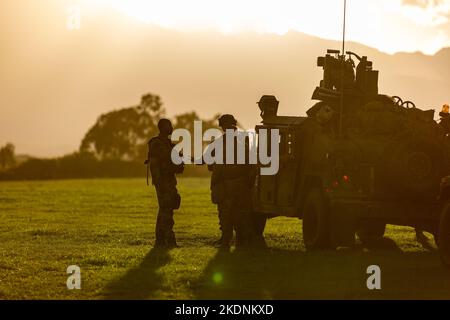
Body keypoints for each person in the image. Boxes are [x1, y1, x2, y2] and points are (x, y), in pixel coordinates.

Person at [209, 114, 256, 249]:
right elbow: (251, 166)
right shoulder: (244, 142)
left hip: (226, 184)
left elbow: (210, 165)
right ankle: (240, 242)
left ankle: (226, 241)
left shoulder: (218, 143)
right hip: (239, 185)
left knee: (226, 214)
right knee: (240, 215)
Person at [146, 119, 184, 248]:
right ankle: (168, 240)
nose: (172, 128)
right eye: (169, 126)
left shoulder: (167, 144)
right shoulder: (157, 144)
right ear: (162, 127)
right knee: (166, 209)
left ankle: (161, 240)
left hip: (168, 180)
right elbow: (168, 159)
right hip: (162, 181)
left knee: (166, 208)